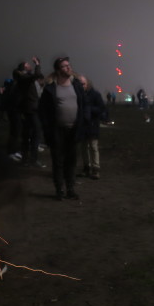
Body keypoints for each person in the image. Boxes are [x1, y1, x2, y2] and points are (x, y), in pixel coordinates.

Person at [39, 57, 85, 200]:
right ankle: (60, 190)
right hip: (57, 131)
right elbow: (43, 111)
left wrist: (83, 123)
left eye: (68, 65)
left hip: (73, 130)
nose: (68, 68)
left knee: (71, 161)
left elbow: (84, 105)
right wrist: (47, 130)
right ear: (58, 70)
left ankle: (70, 188)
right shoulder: (51, 89)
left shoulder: (76, 85)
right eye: (64, 66)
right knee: (58, 161)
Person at [13, 57, 44, 167]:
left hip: (27, 110)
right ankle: (32, 159)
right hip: (31, 110)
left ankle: (25, 159)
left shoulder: (24, 78)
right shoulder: (24, 78)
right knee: (36, 134)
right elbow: (37, 75)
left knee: (27, 134)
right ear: (23, 69)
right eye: (27, 65)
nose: (29, 66)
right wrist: (37, 64)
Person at [79, 75, 107, 180]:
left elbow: (102, 108)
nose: (81, 86)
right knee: (84, 147)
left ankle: (95, 168)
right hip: (83, 124)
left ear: (87, 84)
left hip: (92, 124)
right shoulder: (79, 95)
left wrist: (89, 109)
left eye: (83, 84)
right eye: (80, 84)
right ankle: (86, 167)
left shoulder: (95, 95)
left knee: (93, 146)